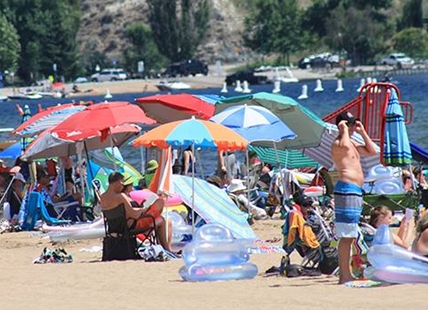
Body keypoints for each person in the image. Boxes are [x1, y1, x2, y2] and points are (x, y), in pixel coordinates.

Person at [330, 111, 377, 284]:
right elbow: (343, 146)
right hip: (346, 189)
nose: (352, 128)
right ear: (343, 125)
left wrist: (363, 132)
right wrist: (343, 130)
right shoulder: (338, 143)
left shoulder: (353, 143)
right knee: (346, 234)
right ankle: (344, 275)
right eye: (350, 125)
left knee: (350, 234)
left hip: (354, 190)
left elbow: (372, 151)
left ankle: (345, 274)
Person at [100, 172, 172, 252]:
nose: (122, 186)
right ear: (117, 182)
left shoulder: (102, 197)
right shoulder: (120, 197)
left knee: (160, 217)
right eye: (122, 184)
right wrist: (145, 208)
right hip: (130, 227)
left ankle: (165, 249)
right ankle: (167, 249)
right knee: (161, 211)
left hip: (114, 228)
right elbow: (134, 215)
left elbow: (126, 213)